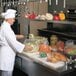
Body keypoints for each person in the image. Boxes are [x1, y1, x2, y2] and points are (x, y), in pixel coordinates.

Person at [0, 9, 31, 76]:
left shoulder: (5, 26)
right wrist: (25, 47)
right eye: (13, 19)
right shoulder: (6, 28)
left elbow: (9, 37)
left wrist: (19, 36)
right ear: (8, 19)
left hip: (7, 55)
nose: (14, 20)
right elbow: (12, 42)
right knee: (6, 74)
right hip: (7, 56)